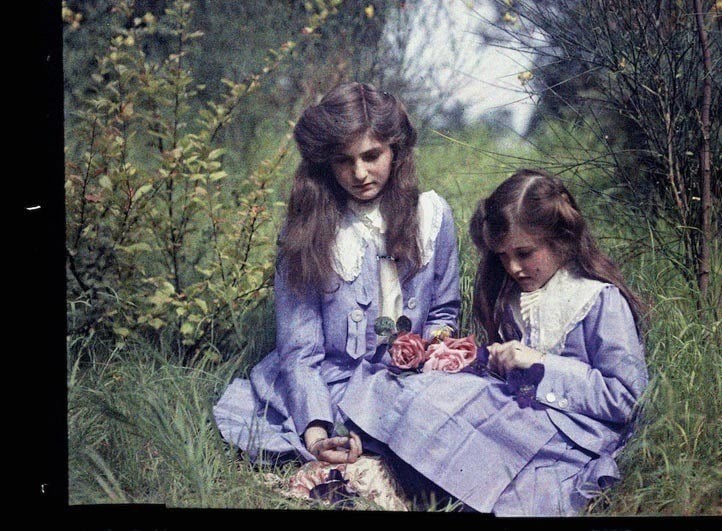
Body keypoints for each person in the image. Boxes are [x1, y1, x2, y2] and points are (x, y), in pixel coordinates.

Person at [339, 168, 648, 516]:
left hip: (569, 432)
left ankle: (428, 481)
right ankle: (390, 457)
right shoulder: (516, 295)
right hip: (520, 412)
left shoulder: (597, 299)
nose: (513, 267)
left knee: (504, 475)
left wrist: (541, 364)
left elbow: (626, 397)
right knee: (427, 390)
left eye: (525, 253)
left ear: (561, 240)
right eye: (503, 256)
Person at [213, 82, 461, 489]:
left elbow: (443, 312)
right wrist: (316, 432)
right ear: (325, 162)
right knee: (343, 438)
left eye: (371, 156)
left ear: (395, 151)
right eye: (343, 161)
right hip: (334, 381)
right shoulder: (308, 230)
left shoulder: (432, 215)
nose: (359, 173)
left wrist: (435, 353)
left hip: (410, 381)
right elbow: (300, 347)